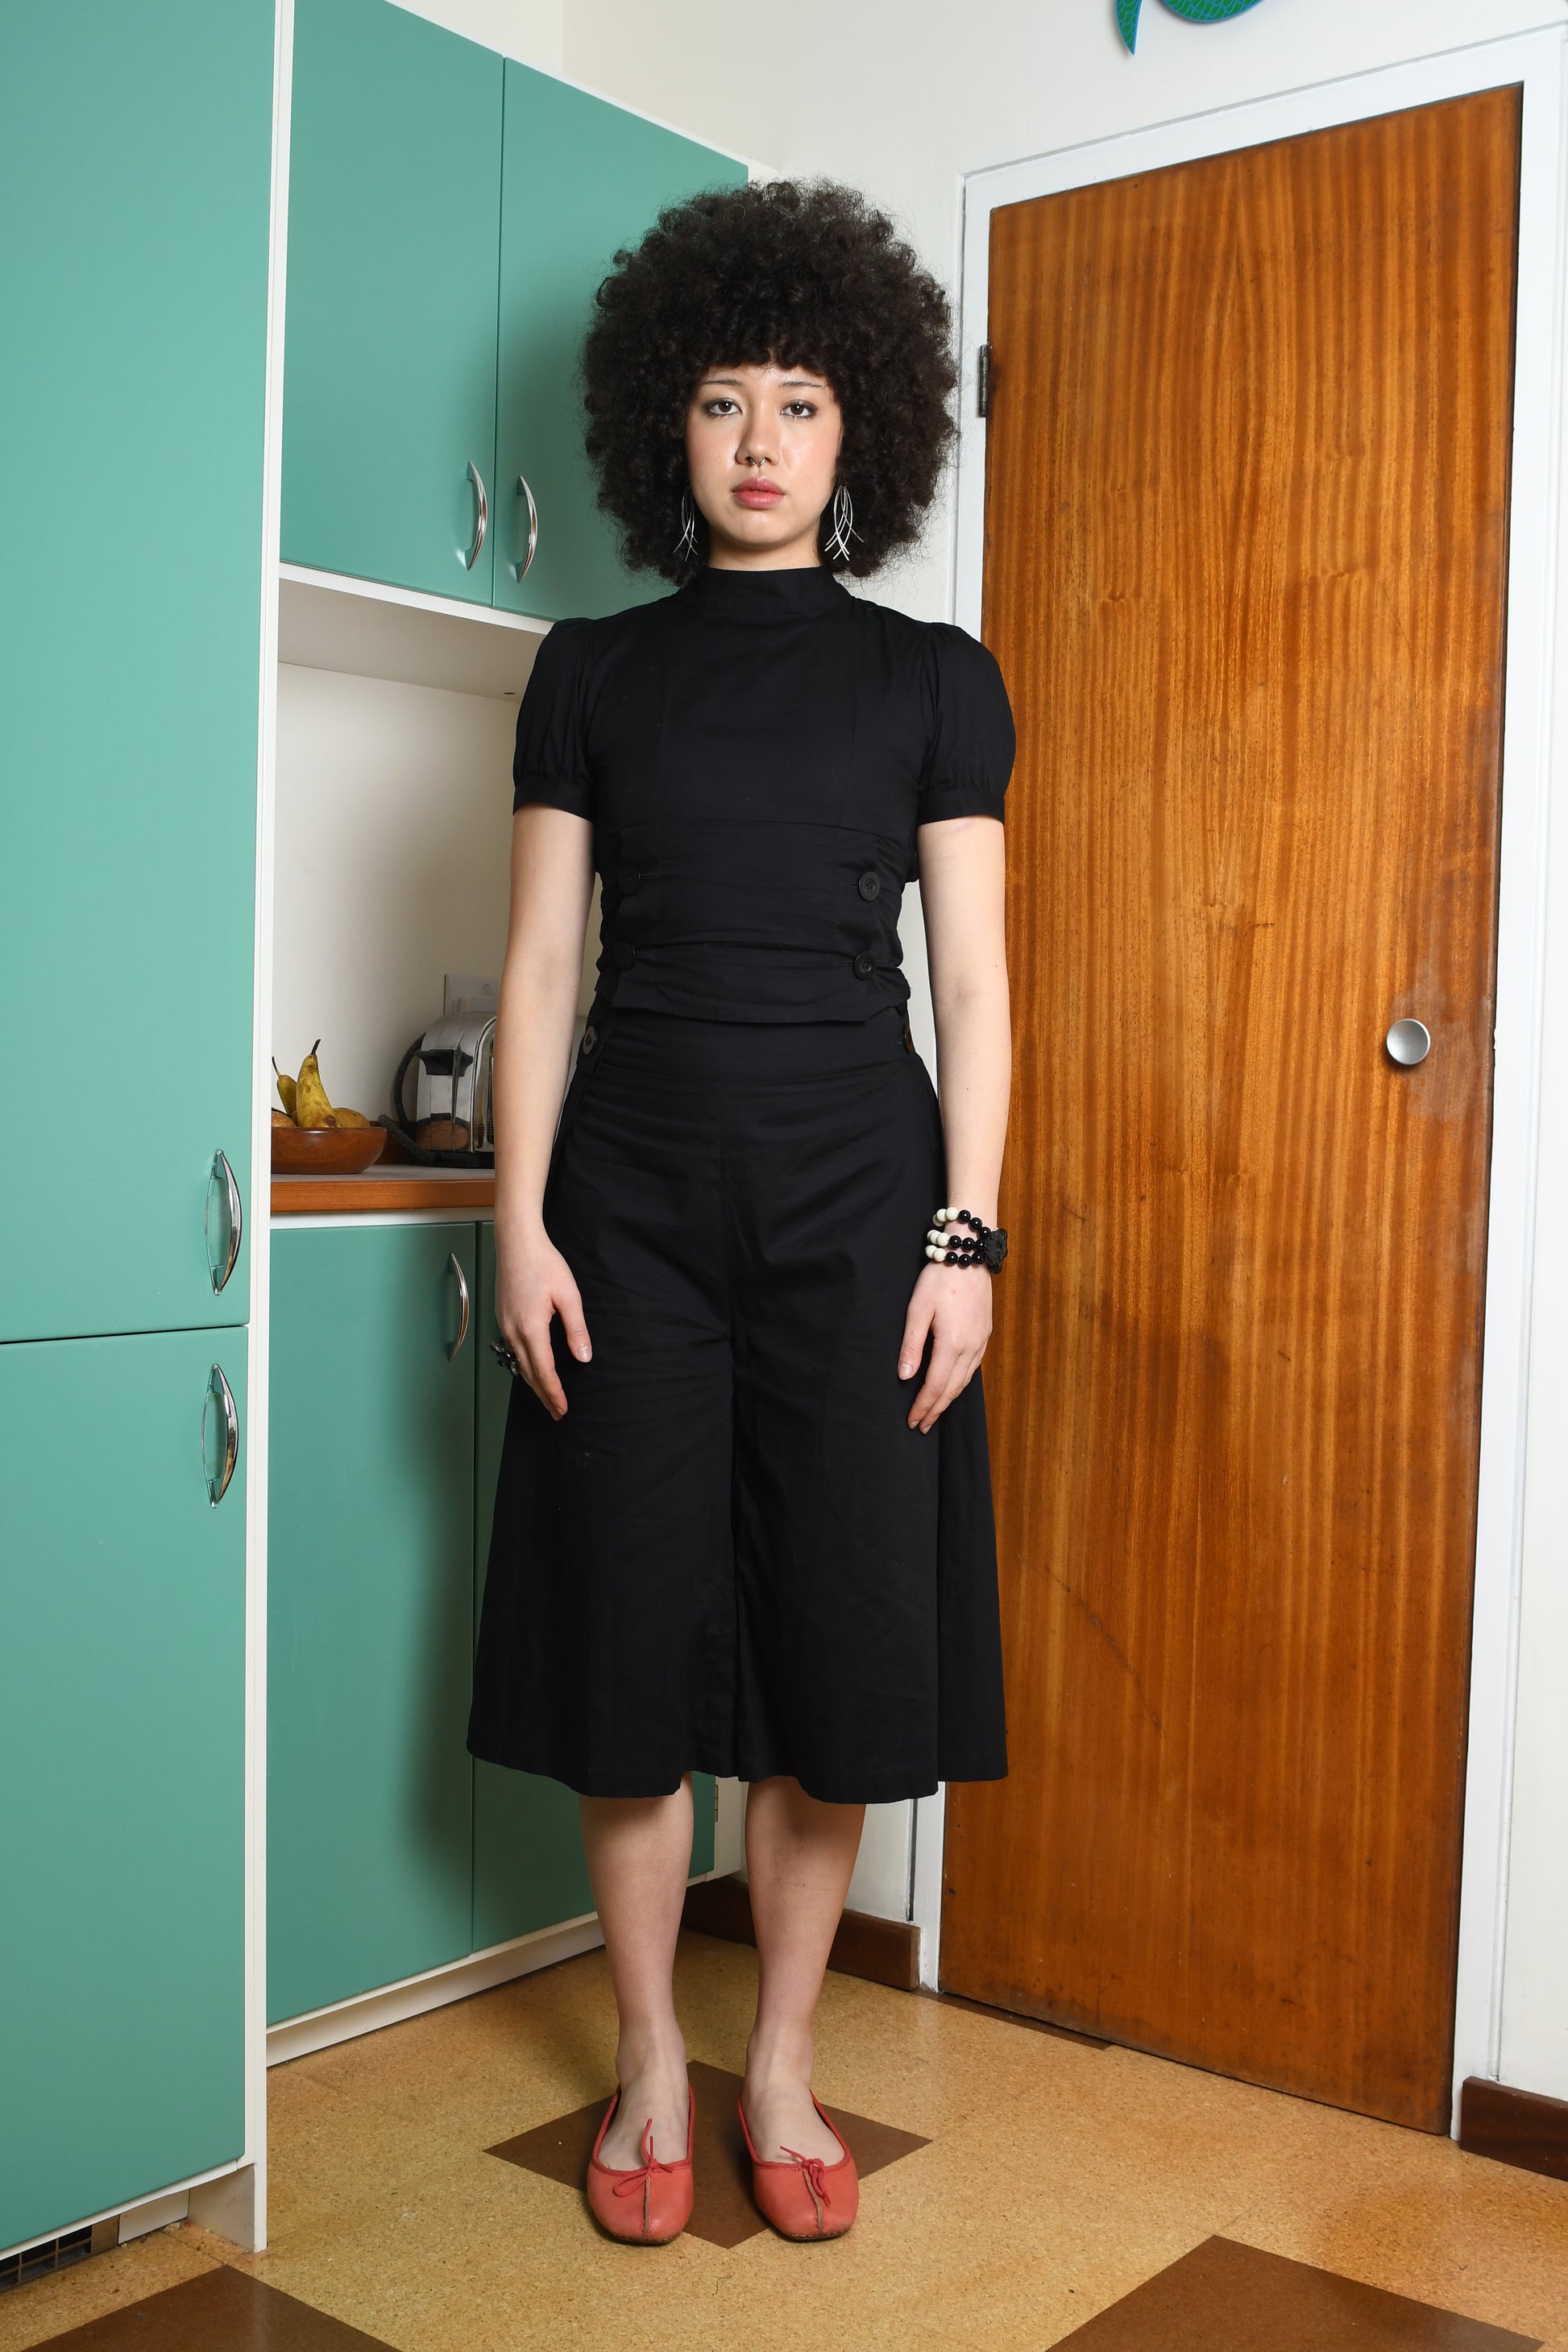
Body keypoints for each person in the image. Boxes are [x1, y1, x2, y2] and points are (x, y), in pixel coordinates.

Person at [468, 177, 1014, 2246]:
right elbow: (540, 969)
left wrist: (968, 1239)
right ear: (663, 428)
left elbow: (975, 990)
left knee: (842, 1644)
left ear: (858, 423)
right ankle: (645, 2055)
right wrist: (518, 1221)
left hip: (865, 1205)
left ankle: (777, 2057)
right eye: (720, 400)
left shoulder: (934, 680)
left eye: (797, 400)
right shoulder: (589, 671)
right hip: (622, 1203)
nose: (760, 439)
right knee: (626, 1637)